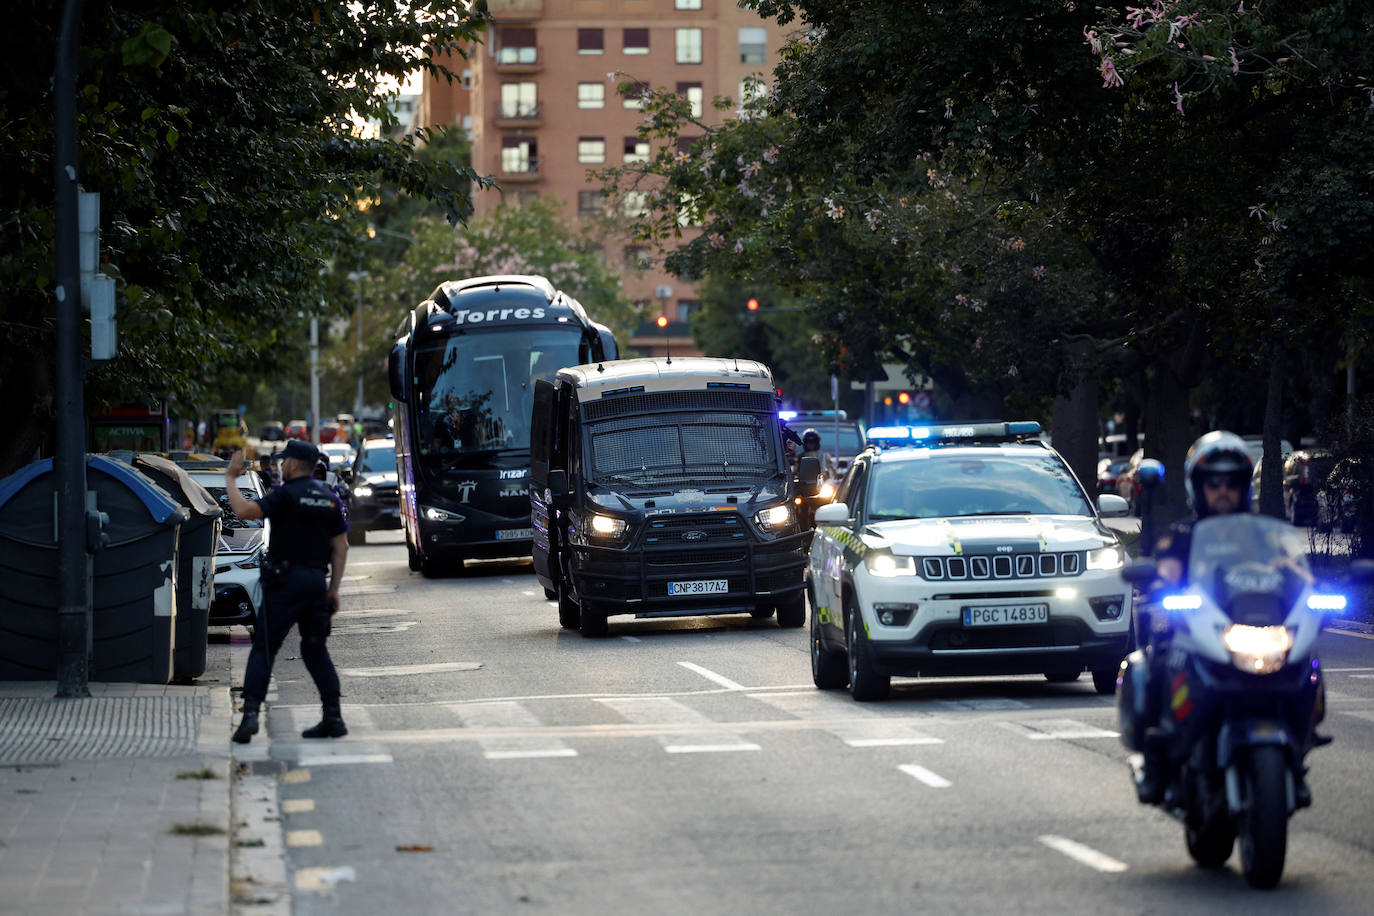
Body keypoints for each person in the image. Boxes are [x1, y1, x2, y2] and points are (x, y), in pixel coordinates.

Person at [1136, 430, 1252, 801]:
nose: (1223, 490)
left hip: (1248, 628)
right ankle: (1156, 757)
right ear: (1197, 486)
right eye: (1212, 482)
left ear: (1244, 486)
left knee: (1304, 661)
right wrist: (1160, 585)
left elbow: (1287, 569)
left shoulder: (1257, 534)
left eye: (1231, 482)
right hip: (1194, 628)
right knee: (1160, 661)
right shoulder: (1182, 534)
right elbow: (1166, 572)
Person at [226, 439, 350, 744]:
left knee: (264, 648)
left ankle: (251, 716)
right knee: (315, 649)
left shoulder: (283, 496)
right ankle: (333, 717)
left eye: (284, 461)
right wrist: (333, 590)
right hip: (315, 585)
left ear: (293, 464)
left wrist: (230, 478)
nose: (281, 465)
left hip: (285, 584)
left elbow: (243, 511)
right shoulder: (330, 498)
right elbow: (341, 546)